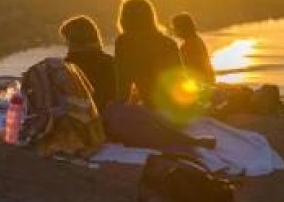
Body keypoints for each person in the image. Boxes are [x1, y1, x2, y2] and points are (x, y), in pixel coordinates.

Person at [66, 11, 214, 151]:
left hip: (99, 119)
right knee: (138, 116)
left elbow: (122, 93)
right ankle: (189, 141)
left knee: (131, 115)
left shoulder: (68, 66)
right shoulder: (169, 43)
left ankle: (188, 141)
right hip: (174, 107)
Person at [114, 0, 186, 111]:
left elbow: (123, 84)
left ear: (124, 18)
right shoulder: (168, 41)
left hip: (153, 107)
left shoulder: (124, 41)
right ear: (151, 17)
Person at [60, 15, 116, 110]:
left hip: (79, 122)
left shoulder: (65, 68)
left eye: (67, 41)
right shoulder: (111, 63)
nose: (67, 46)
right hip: (110, 120)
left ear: (73, 41)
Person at [172, 12, 216, 86]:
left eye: (174, 28)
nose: (173, 30)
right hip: (207, 82)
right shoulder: (196, 40)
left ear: (182, 28)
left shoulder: (187, 46)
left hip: (200, 85)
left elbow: (190, 70)